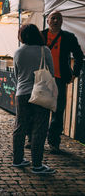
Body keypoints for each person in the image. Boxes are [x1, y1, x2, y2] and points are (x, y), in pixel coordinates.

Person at [13, 24, 55, 175]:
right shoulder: (45, 50)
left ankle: (17, 159)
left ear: (22, 35)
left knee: (20, 127)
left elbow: (16, 74)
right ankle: (37, 165)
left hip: (22, 93)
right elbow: (52, 71)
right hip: (41, 93)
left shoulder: (18, 51)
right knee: (39, 128)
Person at [41, 11, 84, 153]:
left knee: (58, 111)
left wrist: (74, 73)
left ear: (62, 21)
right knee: (40, 110)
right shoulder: (41, 35)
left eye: (59, 19)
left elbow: (79, 55)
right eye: (53, 18)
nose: (55, 21)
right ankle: (36, 140)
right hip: (42, 79)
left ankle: (54, 142)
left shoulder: (68, 37)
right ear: (48, 21)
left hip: (59, 79)